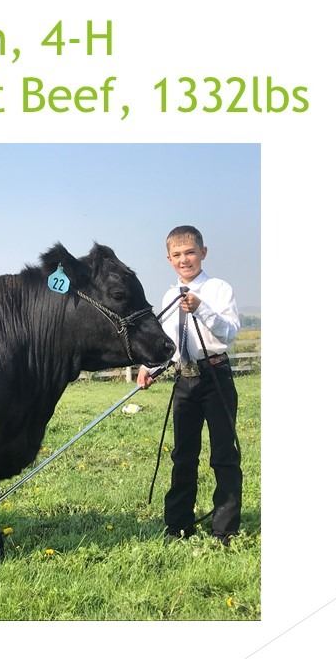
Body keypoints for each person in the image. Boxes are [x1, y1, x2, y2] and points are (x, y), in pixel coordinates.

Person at [137, 225, 241, 546]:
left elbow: (230, 332)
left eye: (191, 252)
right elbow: (170, 344)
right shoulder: (170, 295)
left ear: (203, 253)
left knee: (223, 453)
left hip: (216, 376)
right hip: (185, 379)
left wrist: (201, 309)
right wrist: (150, 368)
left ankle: (225, 530)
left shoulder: (219, 289)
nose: (185, 260)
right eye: (177, 255)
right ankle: (178, 526)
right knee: (183, 454)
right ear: (169, 259)